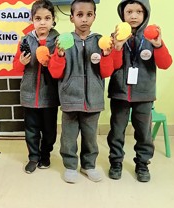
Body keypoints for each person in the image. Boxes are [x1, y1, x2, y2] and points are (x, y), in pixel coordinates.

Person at [48, 0, 124, 183]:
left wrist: (106, 55)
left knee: (90, 138)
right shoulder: (63, 41)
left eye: (89, 15)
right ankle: (70, 166)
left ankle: (89, 165)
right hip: (69, 99)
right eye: (79, 15)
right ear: (72, 17)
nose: (84, 19)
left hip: (93, 99)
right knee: (68, 138)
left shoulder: (101, 41)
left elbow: (107, 72)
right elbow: (55, 72)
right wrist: (58, 55)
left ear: (94, 17)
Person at [107, 0, 173, 182]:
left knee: (144, 133)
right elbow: (113, 66)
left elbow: (165, 64)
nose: (134, 16)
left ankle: (142, 164)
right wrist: (117, 47)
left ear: (145, 14)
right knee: (116, 130)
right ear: (123, 14)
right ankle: (116, 162)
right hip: (119, 93)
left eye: (138, 12)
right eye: (129, 12)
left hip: (144, 94)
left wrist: (158, 45)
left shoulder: (152, 36)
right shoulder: (116, 36)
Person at [12, 0, 63, 174]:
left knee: (49, 130)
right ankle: (33, 157)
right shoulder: (25, 40)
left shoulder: (58, 41)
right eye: (38, 18)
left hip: (50, 95)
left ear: (53, 19)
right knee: (31, 129)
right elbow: (16, 67)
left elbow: (62, 67)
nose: (43, 22)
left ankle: (45, 154)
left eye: (47, 18)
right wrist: (21, 62)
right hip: (29, 94)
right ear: (32, 20)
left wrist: (53, 61)